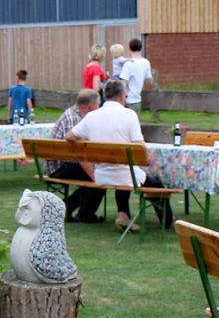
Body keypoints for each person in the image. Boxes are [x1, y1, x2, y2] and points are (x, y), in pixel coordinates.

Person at [66, 78, 173, 232]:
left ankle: (124, 215)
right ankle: (167, 221)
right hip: (125, 175)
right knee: (154, 182)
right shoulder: (129, 115)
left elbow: (69, 136)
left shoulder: (92, 116)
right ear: (122, 96)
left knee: (126, 171)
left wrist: (87, 140)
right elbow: (140, 149)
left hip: (102, 175)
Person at [45, 89, 101, 221]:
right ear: (89, 107)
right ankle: (80, 211)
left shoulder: (75, 114)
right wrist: (94, 177)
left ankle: (80, 210)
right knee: (100, 176)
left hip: (62, 163)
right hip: (59, 167)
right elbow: (79, 153)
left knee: (98, 174)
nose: (99, 108)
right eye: (98, 105)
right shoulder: (74, 119)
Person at [120, 37, 154, 113]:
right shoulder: (146, 62)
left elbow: (123, 84)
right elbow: (150, 81)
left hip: (128, 100)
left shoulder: (128, 64)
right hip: (137, 99)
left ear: (129, 48)